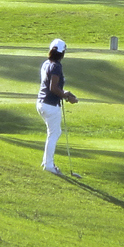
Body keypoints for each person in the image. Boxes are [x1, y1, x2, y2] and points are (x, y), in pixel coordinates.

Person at [37, 37, 78, 176]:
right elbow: (53, 87)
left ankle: (46, 161)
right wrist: (66, 97)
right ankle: (49, 165)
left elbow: (52, 86)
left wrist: (65, 93)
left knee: (54, 132)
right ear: (62, 53)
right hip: (50, 104)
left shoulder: (46, 63)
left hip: (41, 102)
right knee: (54, 134)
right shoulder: (56, 66)